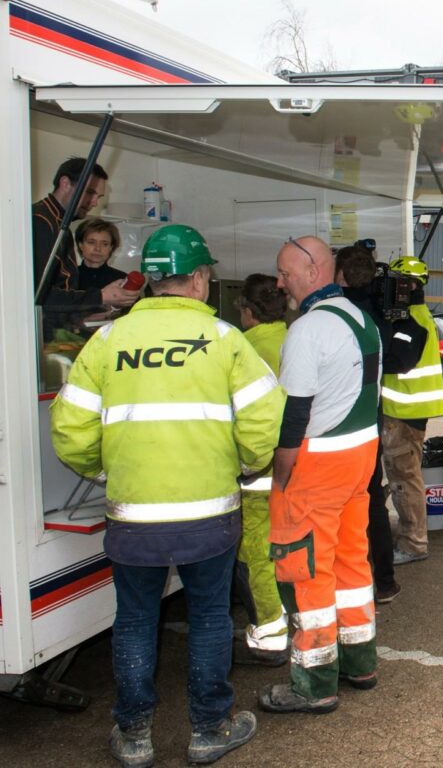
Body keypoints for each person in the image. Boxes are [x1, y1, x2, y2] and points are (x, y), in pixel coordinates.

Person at [50, 224, 281, 766]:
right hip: (211, 513)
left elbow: (70, 430)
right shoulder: (227, 341)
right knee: (207, 617)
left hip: (133, 513)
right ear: (200, 279)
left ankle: (133, 736)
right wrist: (244, 465)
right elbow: (264, 424)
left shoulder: (107, 342)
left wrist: (106, 471)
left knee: (134, 618)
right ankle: (208, 729)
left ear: (150, 282)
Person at [259, 236, 381, 715]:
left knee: (304, 570)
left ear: (311, 272)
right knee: (351, 562)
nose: (279, 283)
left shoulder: (308, 329)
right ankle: (359, 662)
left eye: (285, 274)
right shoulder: (359, 318)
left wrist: (281, 470)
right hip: (359, 457)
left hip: (318, 463)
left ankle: (313, 685)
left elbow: (295, 411)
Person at [332, 246, 400, 604]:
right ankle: (384, 581)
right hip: (368, 425)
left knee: (338, 507)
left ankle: (344, 586)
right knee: (372, 501)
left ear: (339, 276)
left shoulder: (336, 316)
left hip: (335, 428)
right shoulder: (378, 316)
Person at [232, 274, 291, 668]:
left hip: (260, 468)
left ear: (248, 313)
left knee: (255, 554)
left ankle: (271, 637)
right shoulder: (294, 338)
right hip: (296, 464)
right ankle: (296, 616)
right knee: (289, 545)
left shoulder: (242, 350)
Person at [378, 257, 443, 566]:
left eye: (398, 281)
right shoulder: (411, 317)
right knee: (405, 476)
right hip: (407, 410)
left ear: (411, 285)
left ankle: (413, 543)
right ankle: (412, 538)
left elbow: (399, 362)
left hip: (404, 412)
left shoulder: (411, 321)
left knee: (404, 479)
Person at [33, 158, 138, 332]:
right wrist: (102, 296)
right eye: (89, 192)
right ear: (65, 183)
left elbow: (59, 293)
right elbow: (39, 295)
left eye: (99, 197)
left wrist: (79, 319)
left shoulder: (60, 224)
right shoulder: (41, 221)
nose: (95, 202)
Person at [71, 217, 127, 291]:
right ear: (80, 245)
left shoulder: (122, 280)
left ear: (111, 247)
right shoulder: (68, 277)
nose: (98, 248)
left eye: (105, 244)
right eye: (91, 242)